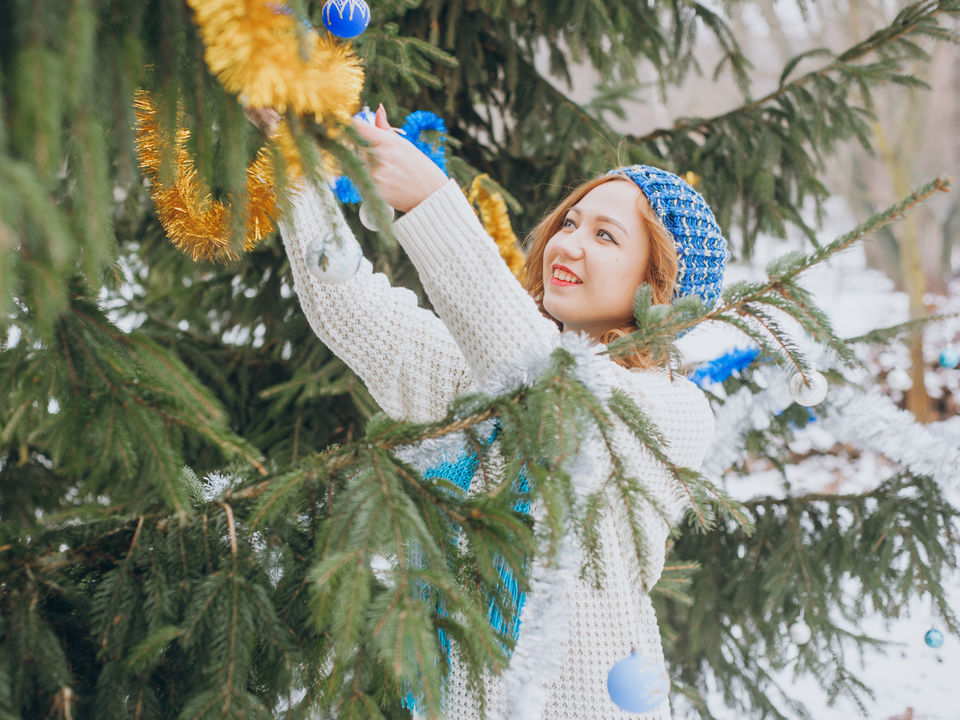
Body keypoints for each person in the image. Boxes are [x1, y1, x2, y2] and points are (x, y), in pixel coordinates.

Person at [256, 104, 723, 719]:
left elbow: (546, 384)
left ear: (658, 284)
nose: (570, 243)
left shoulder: (672, 413)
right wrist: (296, 158)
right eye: (572, 221)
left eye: (605, 236)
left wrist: (428, 199)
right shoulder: (476, 376)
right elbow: (347, 305)